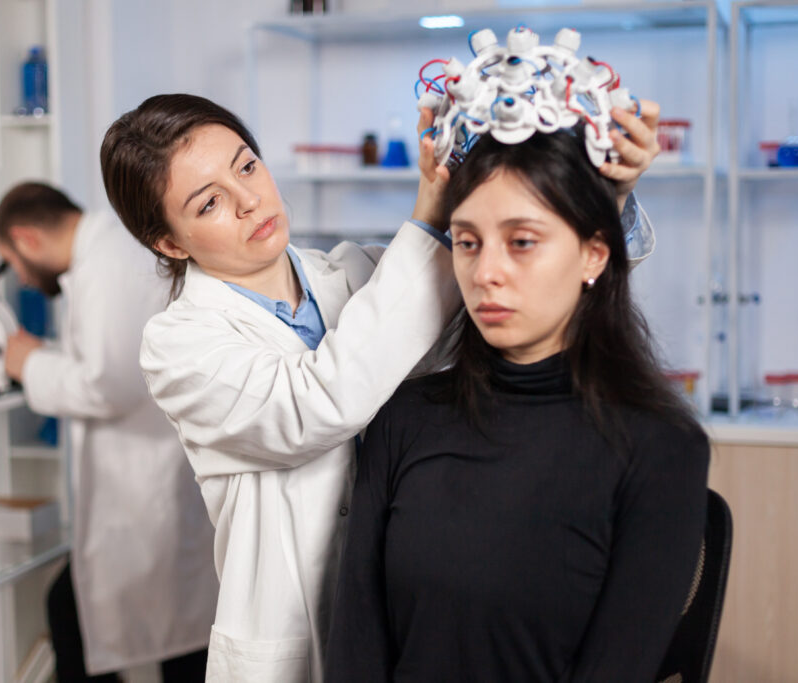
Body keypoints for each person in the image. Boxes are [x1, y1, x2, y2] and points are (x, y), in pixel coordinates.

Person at [99, 93, 661, 682]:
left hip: (409, 623)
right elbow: (318, 404)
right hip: (296, 648)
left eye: (246, 166)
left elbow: (513, 310)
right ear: (169, 242)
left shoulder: (359, 274)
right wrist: (429, 212)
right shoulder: (178, 344)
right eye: (210, 202)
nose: (248, 200)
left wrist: (607, 191)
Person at [324, 129, 710, 682]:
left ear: (594, 254)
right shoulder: (404, 417)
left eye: (522, 242)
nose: (485, 274)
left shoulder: (661, 447)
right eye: (467, 241)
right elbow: (356, 651)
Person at [0, 182, 218, 682]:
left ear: (26, 239)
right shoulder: (104, 253)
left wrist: (30, 364)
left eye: (11, 261)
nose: (21, 279)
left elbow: (108, 386)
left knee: (180, 639)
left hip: (149, 487)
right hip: (148, 482)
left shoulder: (106, 263)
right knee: (174, 635)